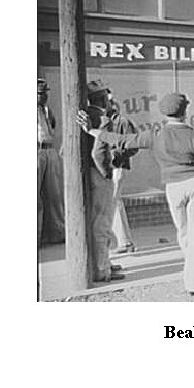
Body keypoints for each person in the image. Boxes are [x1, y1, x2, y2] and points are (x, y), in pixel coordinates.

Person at [78, 92, 194, 295]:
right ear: (185, 112)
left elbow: (121, 140)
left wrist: (92, 130)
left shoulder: (155, 136)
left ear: (165, 114)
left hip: (173, 188)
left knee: (184, 235)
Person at [85, 80, 123, 282]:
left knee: (96, 221)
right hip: (99, 175)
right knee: (102, 223)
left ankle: (103, 262)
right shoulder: (102, 119)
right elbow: (98, 152)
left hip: (89, 174)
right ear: (101, 98)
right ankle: (102, 269)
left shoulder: (86, 114)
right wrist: (107, 172)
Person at [107, 97, 139, 254]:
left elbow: (133, 145)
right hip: (108, 167)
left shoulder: (123, 122)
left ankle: (124, 241)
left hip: (117, 166)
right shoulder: (104, 122)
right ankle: (124, 240)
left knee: (113, 202)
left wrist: (116, 154)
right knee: (114, 202)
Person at [37, 78, 65, 246]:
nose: (44, 96)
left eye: (45, 92)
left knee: (54, 194)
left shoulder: (47, 110)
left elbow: (52, 128)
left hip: (49, 150)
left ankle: (57, 232)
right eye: (41, 93)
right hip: (36, 150)